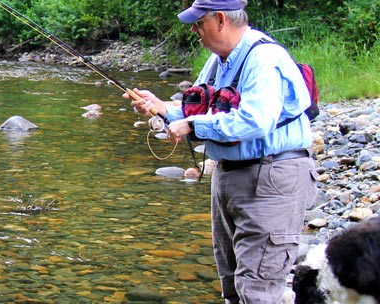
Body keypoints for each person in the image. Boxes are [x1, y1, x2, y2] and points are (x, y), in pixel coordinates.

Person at [125, 0, 317, 303]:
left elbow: (255, 121)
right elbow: (199, 109)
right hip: (230, 175)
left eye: (198, 22)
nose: (194, 29)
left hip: (271, 178)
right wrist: (161, 108)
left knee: (257, 290)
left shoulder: (264, 59)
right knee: (231, 283)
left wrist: (192, 126)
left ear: (220, 20)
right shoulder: (218, 60)